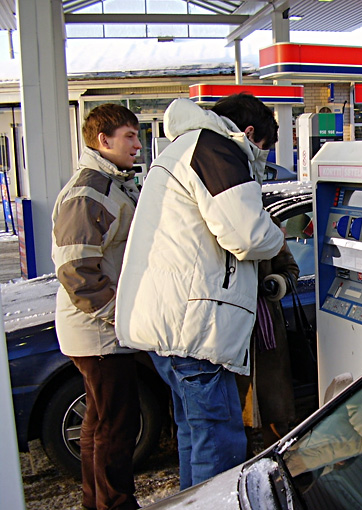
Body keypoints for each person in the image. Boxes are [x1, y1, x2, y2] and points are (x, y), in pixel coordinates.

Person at [115, 94, 284, 490]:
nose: (260, 158)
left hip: (171, 324)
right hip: (194, 328)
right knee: (220, 440)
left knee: (195, 434)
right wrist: (278, 236)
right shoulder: (216, 148)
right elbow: (248, 235)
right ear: (249, 133)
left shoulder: (183, 147)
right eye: (262, 148)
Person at [51, 103, 142, 510]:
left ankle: (97, 502)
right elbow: (76, 271)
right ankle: (115, 504)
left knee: (99, 423)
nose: (137, 145)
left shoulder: (112, 183)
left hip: (98, 329)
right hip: (98, 332)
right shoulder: (89, 191)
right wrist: (118, 316)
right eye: (129, 136)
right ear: (103, 140)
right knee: (116, 426)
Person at [237, 235, 299, 453]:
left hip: (266, 328)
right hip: (231, 328)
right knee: (236, 415)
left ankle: (278, 461)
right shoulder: (215, 224)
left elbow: (291, 269)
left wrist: (275, 283)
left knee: (275, 412)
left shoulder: (268, 225)